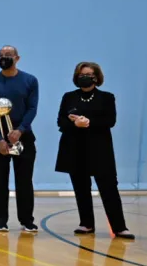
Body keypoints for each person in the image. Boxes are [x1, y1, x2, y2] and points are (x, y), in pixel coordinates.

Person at [55, 62, 134, 239]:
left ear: (96, 77)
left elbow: (110, 120)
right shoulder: (69, 97)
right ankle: (86, 223)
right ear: (76, 77)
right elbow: (61, 121)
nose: (85, 77)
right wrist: (74, 123)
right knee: (81, 188)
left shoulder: (107, 97)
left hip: (99, 149)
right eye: (82, 74)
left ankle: (119, 227)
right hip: (75, 148)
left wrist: (88, 122)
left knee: (109, 188)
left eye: (89, 74)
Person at [0, 45, 39, 233]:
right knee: (0, 181)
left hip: (24, 138)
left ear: (17, 58)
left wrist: (20, 130)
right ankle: (1, 221)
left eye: (8, 55)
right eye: (1, 56)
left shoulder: (30, 81)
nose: (4, 58)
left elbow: (32, 108)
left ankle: (27, 221)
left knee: (24, 180)